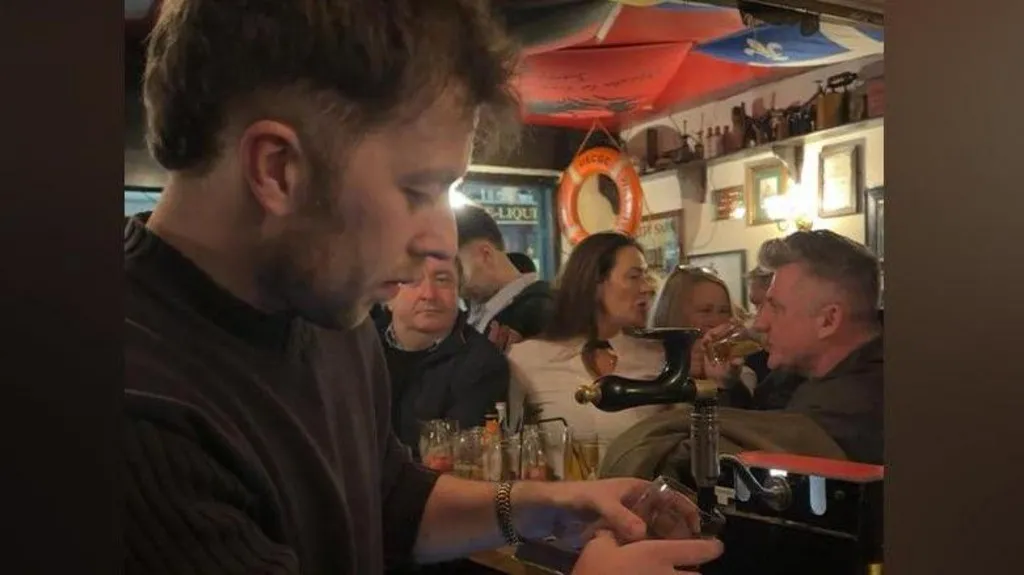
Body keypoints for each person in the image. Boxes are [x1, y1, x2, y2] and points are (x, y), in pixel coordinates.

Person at [123, 1, 722, 574]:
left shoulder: (328, 315)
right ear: (278, 168)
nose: (441, 241)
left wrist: (550, 506)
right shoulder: (139, 411)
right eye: (417, 190)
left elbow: (388, 501)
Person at [700, 230, 883, 463]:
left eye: (776, 307)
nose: (760, 323)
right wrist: (727, 386)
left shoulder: (854, 406)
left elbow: (741, 464)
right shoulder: (797, 375)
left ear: (828, 320)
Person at [507, 233, 669, 453]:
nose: (647, 287)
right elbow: (510, 447)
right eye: (634, 277)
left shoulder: (658, 358)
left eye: (646, 276)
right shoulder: (527, 359)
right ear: (595, 284)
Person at [374, 251, 509, 459]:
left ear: (458, 291)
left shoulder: (482, 363)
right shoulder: (358, 352)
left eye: (442, 280)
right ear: (388, 296)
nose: (429, 294)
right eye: (413, 280)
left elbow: (458, 457)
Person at [455, 205, 553, 349]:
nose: (450, 276)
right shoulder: (465, 316)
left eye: (456, 265)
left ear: (485, 255)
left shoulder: (540, 313)